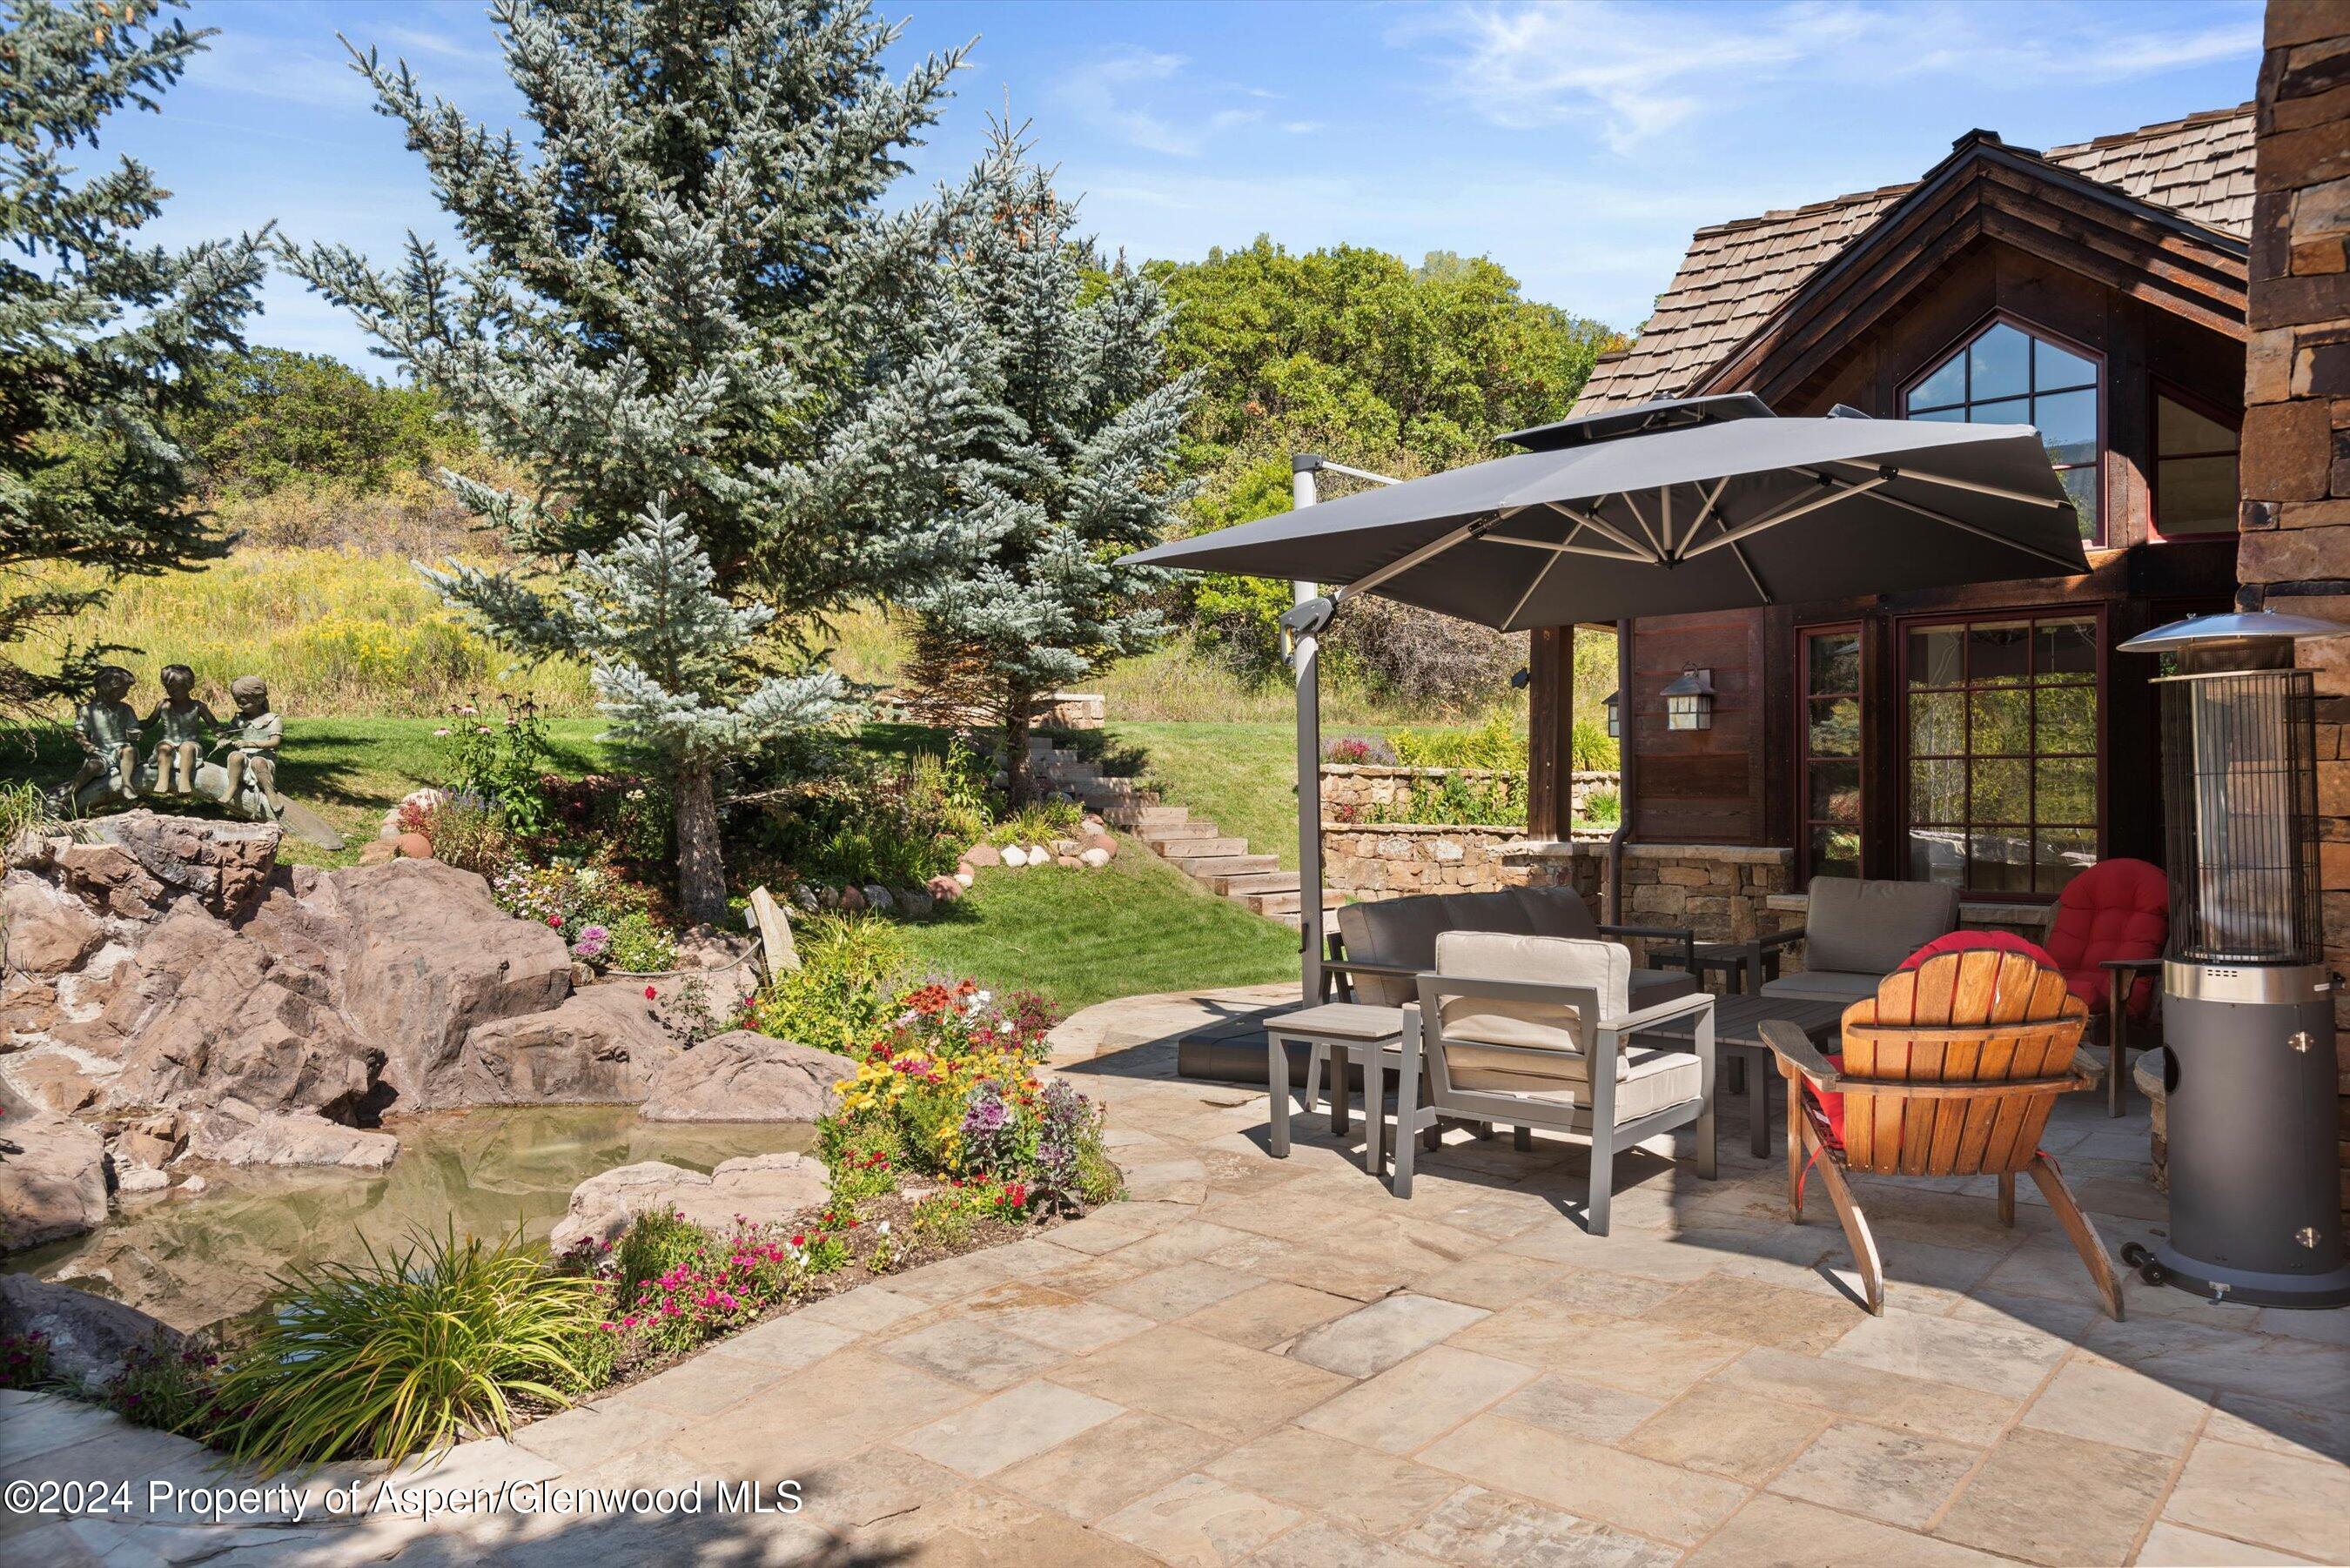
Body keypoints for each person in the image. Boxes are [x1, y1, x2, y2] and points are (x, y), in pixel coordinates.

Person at [65, 665, 141, 801]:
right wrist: (86, 744)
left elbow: (134, 728)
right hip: (100, 751)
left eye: (126, 690)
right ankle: (72, 791)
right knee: (92, 766)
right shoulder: (88, 710)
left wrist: (135, 734)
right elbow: (78, 732)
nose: (125, 694)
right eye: (122, 691)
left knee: (129, 751)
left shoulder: (126, 709)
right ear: (106, 689)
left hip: (121, 748)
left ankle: (126, 784)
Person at [143, 664, 218, 795]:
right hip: (168, 741)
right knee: (164, 748)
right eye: (168, 688)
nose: (172, 692)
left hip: (190, 742)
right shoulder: (163, 705)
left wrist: (220, 732)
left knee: (186, 748)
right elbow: (149, 723)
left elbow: (214, 725)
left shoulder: (198, 706)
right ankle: (162, 779)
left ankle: (184, 779)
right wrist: (132, 725)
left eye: (176, 689)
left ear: (189, 686)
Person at [217, 675, 284, 808]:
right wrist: (223, 739)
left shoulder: (273, 719)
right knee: (235, 756)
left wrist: (250, 744)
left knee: (258, 762)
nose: (239, 705)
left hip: (264, 759)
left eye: (243, 702)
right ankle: (232, 787)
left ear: (259, 699)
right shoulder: (240, 719)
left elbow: (275, 742)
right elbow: (228, 733)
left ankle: (270, 792)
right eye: (237, 701)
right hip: (245, 758)